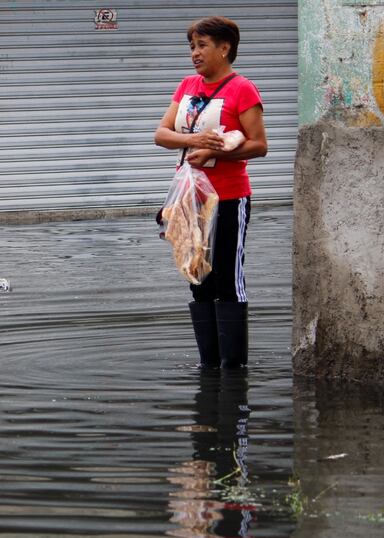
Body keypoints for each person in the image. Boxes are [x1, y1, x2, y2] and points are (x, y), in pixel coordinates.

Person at [154, 16, 267, 368]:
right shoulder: (187, 86)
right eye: (192, 46)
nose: (194, 54)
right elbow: (161, 134)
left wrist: (216, 152)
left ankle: (233, 371)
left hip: (230, 198)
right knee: (197, 277)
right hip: (190, 200)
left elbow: (259, 145)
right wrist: (193, 140)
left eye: (202, 45)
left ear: (224, 47)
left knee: (226, 280)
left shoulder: (242, 89)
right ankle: (209, 366)